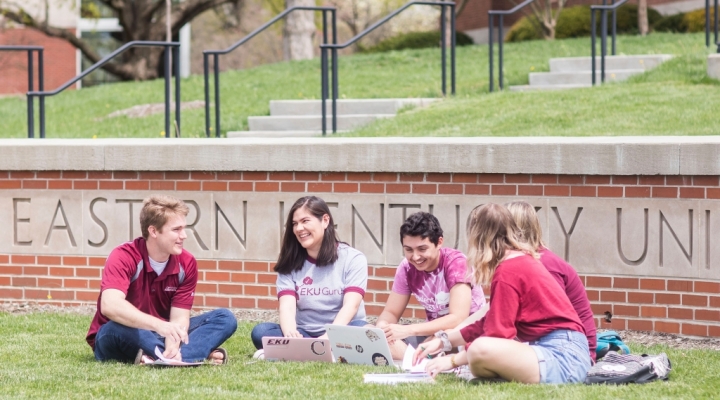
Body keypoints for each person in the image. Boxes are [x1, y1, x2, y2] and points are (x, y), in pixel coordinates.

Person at [414, 203, 591, 384]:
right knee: (477, 357)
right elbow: (487, 321)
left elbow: (497, 335)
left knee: (478, 350)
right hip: (562, 352)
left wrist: (450, 361)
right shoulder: (518, 260)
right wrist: (443, 340)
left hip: (563, 358)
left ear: (479, 238)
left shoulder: (508, 271)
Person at [86, 195, 237, 364]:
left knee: (224, 318)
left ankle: (167, 356)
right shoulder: (123, 256)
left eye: (184, 228)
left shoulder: (187, 263)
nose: (184, 235)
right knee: (113, 330)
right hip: (122, 331)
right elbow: (110, 306)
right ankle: (190, 353)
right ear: (153, 231)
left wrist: (172, 340)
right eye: (176, 230)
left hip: (162, 332)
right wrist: (160, 326)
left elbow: (179, 318)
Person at [250, 196, 368, 353]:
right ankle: (310, 348)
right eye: (295, 223)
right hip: (304, 333)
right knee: (261, 332)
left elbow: (351, 306)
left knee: (363, 331)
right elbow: (287, 307)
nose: (299, 228)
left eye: (305, 221)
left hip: (344, 330)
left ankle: (304, 350)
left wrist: (328, 338)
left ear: (325, 220)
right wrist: (290, 334)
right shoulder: (290, 262)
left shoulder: (353, 258)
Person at [374, 212, 486, 360]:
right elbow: (391, 312)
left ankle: (416, 360)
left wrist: (408, 330)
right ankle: (418, 360)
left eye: (422, 249)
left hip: (464, 334)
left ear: (439, 242)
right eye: (408, 250)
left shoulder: (456, 263)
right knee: (370, 332)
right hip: (432, 333)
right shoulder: (406, 268)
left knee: (433, 341)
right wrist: (382, 327)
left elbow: (458, 318)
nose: (415, 257)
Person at [505, 201, 597, 362]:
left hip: (569, 353)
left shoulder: (544, 265)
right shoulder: (527, 261)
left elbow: (549, 322)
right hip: (548, 344)